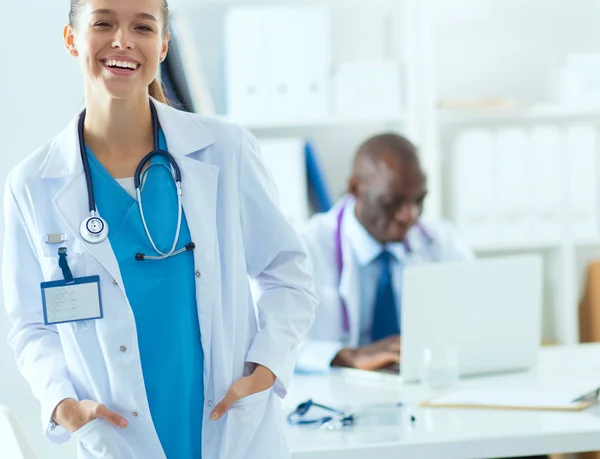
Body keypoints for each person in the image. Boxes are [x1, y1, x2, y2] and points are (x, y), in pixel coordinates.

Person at [2, 1, 317, 458]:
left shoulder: (224, 153)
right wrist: (61, 402)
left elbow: (288, 274)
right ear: (72, 39)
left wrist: (266, 368)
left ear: (164, 45)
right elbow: (30, 323)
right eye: (103, 23)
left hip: (228, 424)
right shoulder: (33, 184)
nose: (123, 40)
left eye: (143, 27)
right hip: (117, 433)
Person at [296, 133, 473, 373]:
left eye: (419, 201)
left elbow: (476, 319)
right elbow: (269, 345)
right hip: (336, 395)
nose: (409, 215)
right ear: (355, 188)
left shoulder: (441, 242)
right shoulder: (305, 248)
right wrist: (346, 356)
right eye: (392, 202)